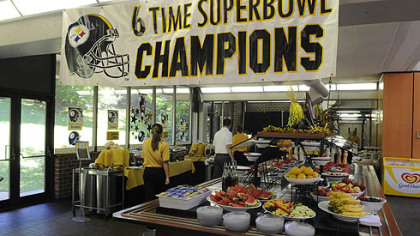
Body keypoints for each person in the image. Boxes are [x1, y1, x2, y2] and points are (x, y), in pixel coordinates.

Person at [142, 123, 170, 202]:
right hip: (159, 173)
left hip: (147, 172)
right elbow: (165, 162)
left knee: (149, 196)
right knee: (160, 197)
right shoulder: (164, 145)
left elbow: (143, 156)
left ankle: (147, 212)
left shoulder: (145, 143)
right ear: (161, 134)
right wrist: (167, 176)